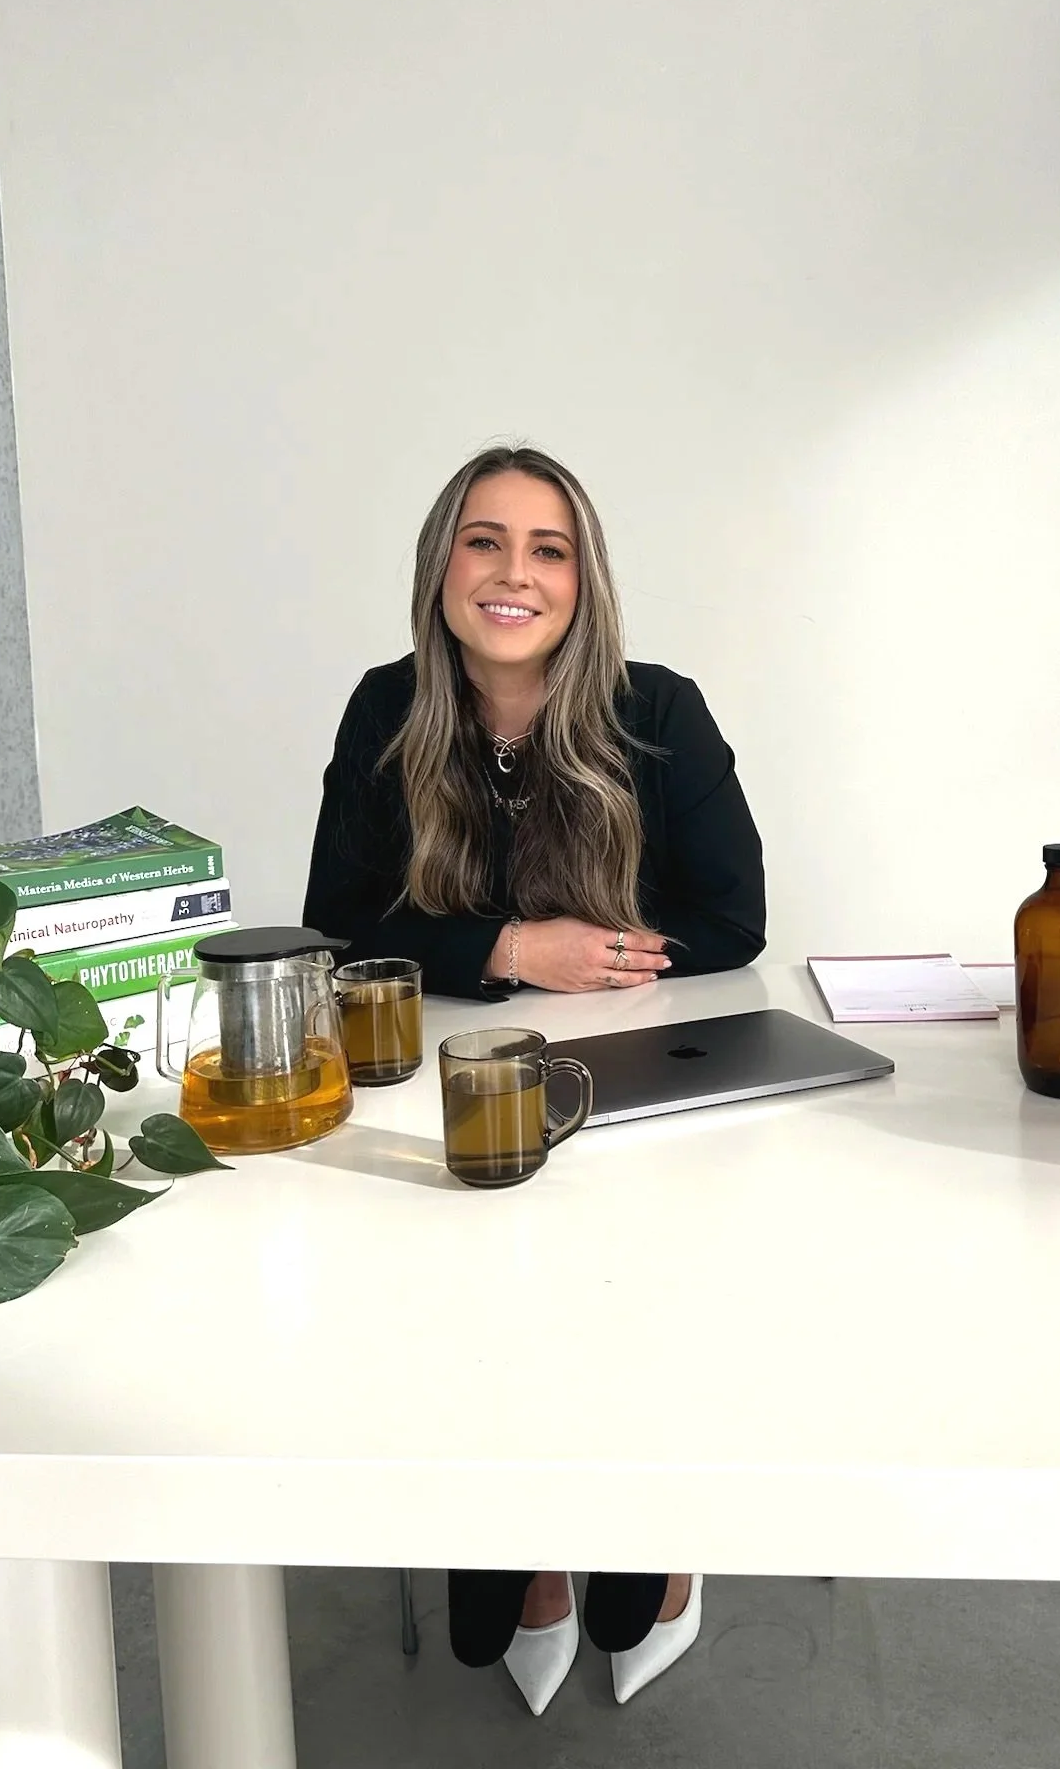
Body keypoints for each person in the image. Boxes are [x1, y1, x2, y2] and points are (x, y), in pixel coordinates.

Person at [304, 444, 766, 1711]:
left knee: (629, 1310)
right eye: (485, 540)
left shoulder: (656, 709)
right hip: (438, 1083)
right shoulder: (384, 707)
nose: (515, 572)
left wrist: (592, 961)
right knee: (474, 1317)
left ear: (583, 578)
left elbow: (734, 920)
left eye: (547, 548)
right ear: (441, 565)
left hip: (631, 1074)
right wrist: (511, 948)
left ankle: (658, 1558)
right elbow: (335, 923)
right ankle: (534, 1564)